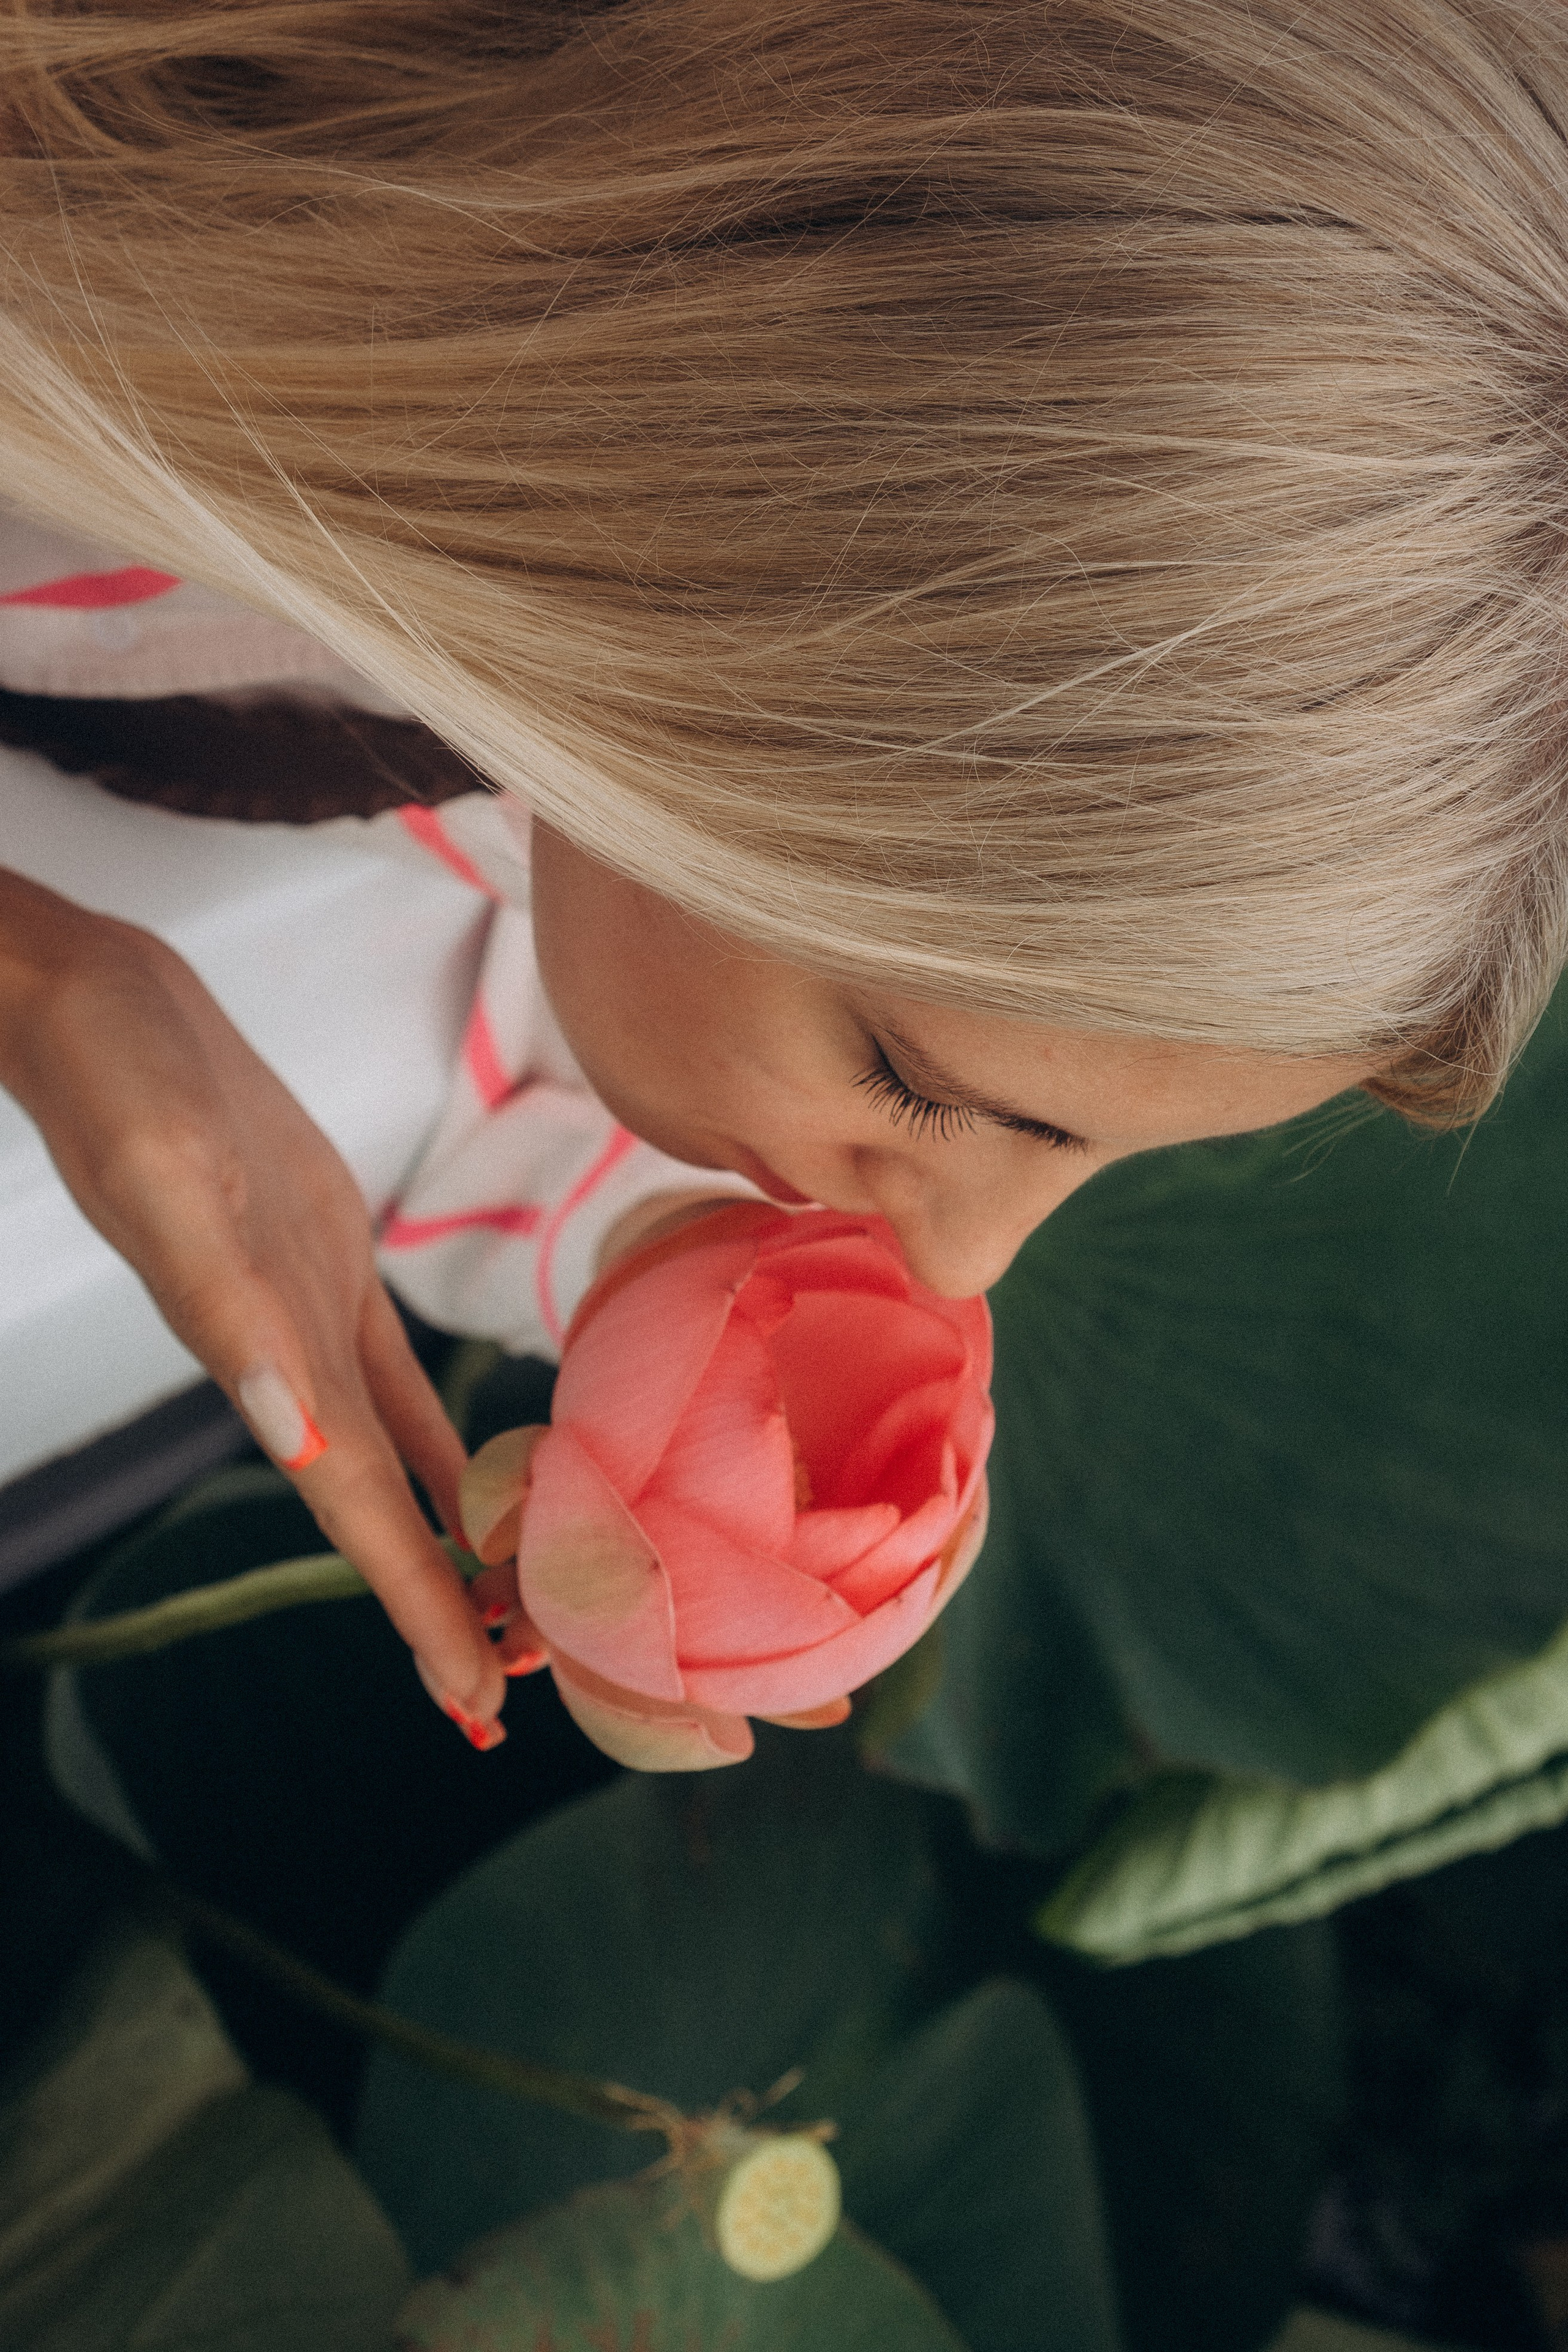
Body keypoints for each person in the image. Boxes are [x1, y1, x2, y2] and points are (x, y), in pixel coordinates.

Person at [2, 0, 1564, 1752]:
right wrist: (42, 975)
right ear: (716, 582)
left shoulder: (530, 574)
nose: (961, 1270)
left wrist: (672, 1278)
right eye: (910, 1078)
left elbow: (532, 923)